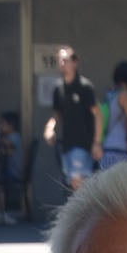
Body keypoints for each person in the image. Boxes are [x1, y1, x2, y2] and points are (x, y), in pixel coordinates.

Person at [43, 46, 99, 192]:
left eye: (65, 60)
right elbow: (56, 115)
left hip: (83, 144)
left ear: (75, 62)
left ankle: (80, 215)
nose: (62, 63)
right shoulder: (58, 88)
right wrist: (49, 129)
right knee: (71, 187)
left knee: (77, 185)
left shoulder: (85, 87)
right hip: (66, 145)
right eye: (59, 61)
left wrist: (97, 143)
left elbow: (97, 115)